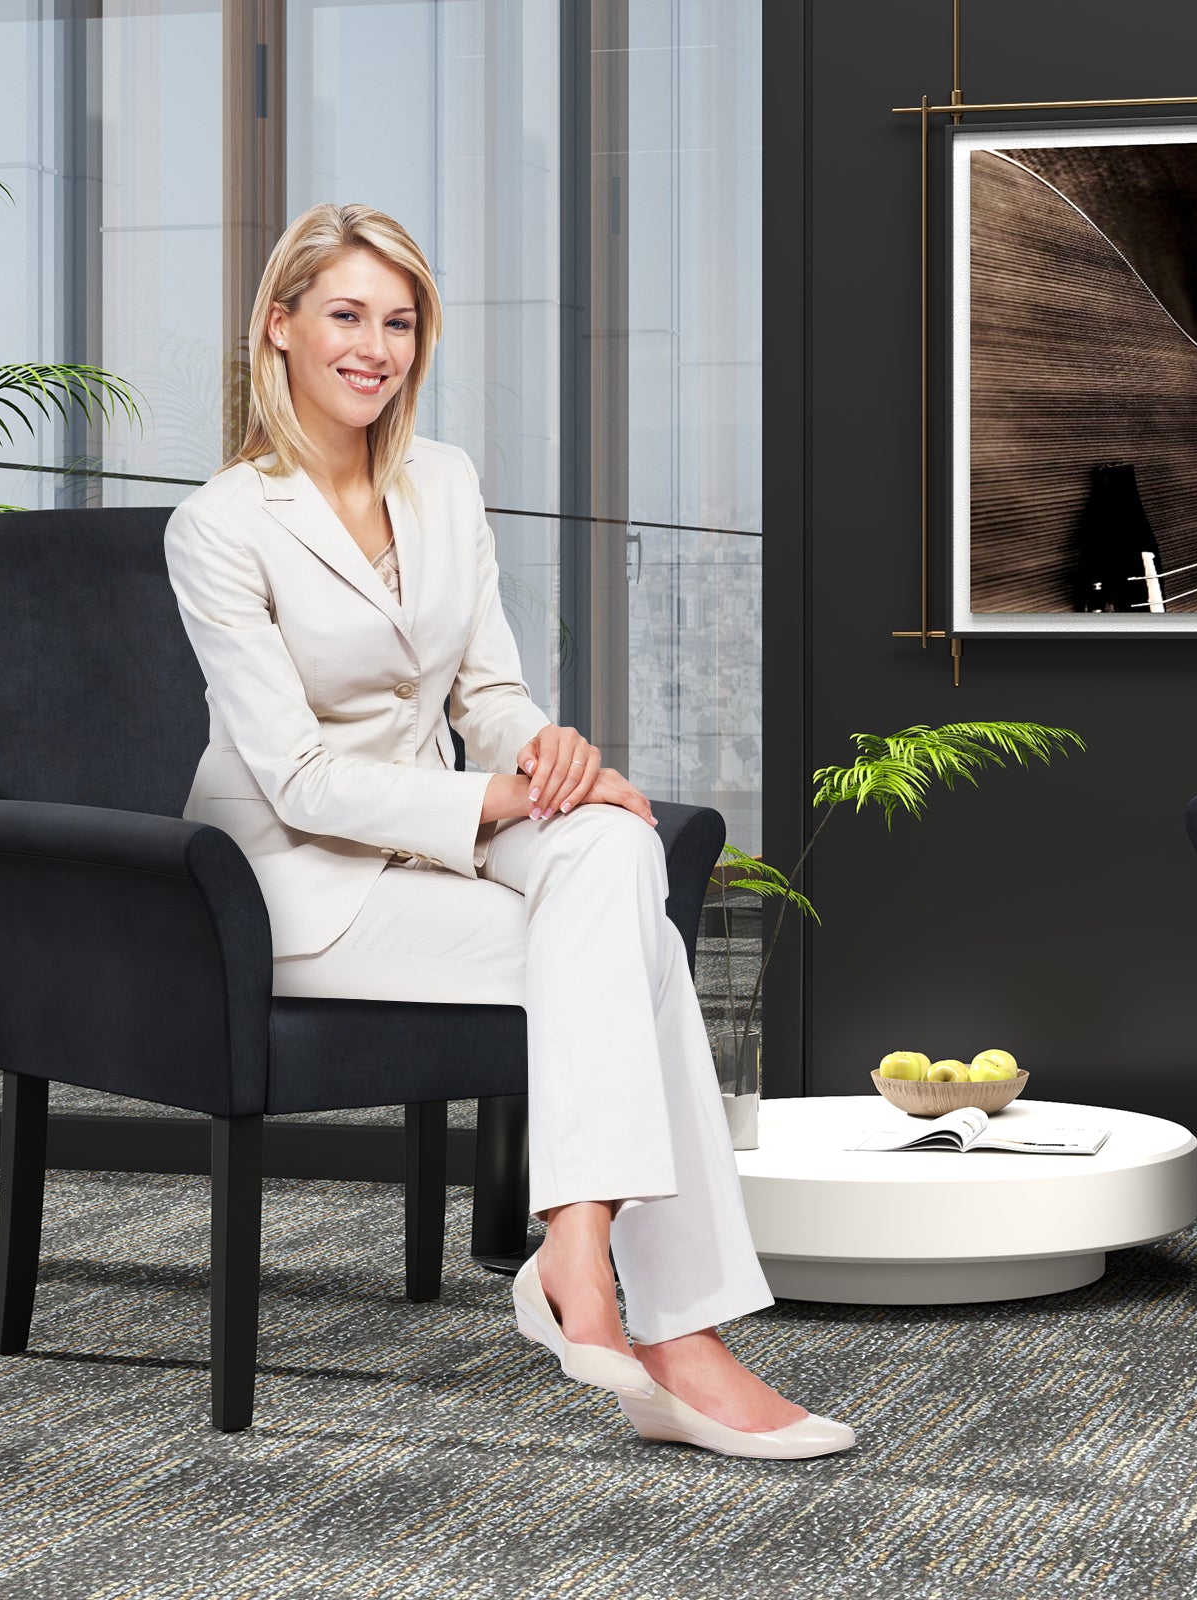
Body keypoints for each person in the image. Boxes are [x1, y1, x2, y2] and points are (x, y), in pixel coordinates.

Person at [163, 203, 855, 1460]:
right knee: (640, 950)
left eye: (399, 323)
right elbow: (300, 779)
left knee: (613, 845)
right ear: (280, 327)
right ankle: (679, 1336)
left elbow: (485, 694)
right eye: (346, 315)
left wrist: (547, 752)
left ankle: (577, 1247)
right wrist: (493, 800)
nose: (375, 348)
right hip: (291, 882)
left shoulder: (442, 480)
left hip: (434, 834)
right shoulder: (220, 523)